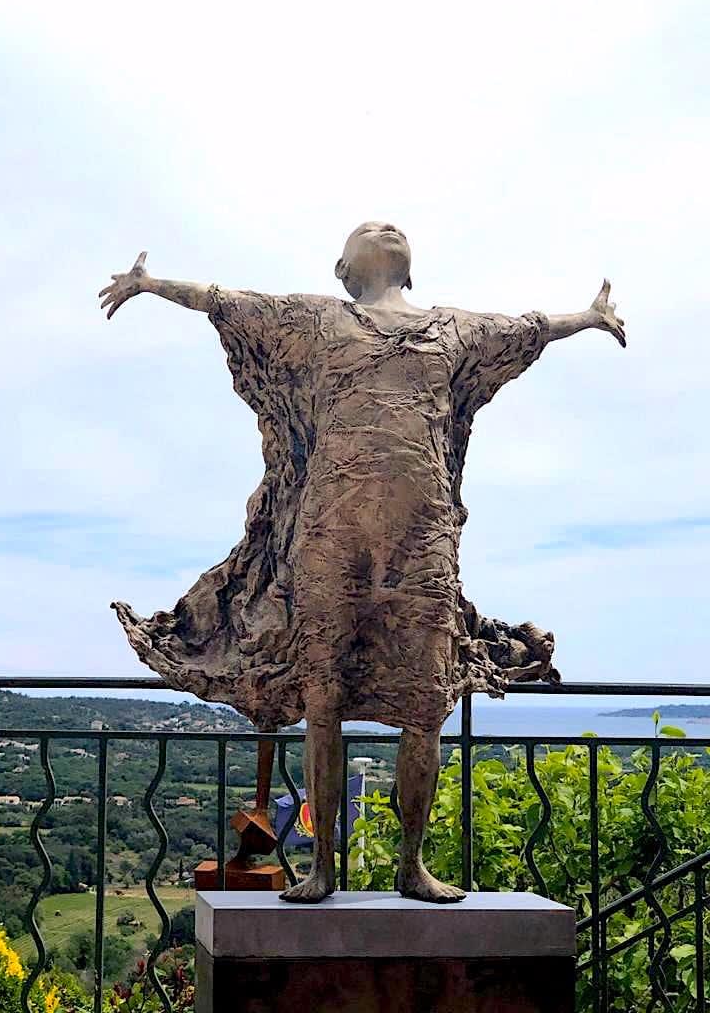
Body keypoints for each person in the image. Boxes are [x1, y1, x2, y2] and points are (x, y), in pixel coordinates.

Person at [100, 222, 625, 902]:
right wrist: (150, 284)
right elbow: (228, 301)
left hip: (422, 543)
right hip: (330, 538)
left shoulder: (454, 329)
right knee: (323, 698)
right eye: (366, 231)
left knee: (426, 705)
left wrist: (587, 316)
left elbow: (527, 328)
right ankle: (322, 866)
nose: (385, 227)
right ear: (343, 268)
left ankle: (412, 864)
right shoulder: (318, 321)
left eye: (391, 227)